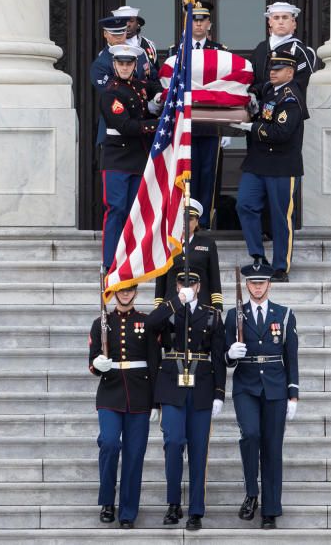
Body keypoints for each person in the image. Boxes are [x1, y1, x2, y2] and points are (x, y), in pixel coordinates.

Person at [146, 271, 227, 531]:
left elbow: (217, 357)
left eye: (192, 282)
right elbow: (150, 325)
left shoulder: (212, 315)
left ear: (200, 285)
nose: (188, 286)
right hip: (171, 385)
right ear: (177, 285)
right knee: (172, 442)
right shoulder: (169, 310)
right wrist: (176, 301)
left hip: (202, 386)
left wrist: (219, 392)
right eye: (182, 282)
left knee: (199, 450)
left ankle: (196, 510)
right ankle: (172, 504)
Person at [224, 263, 299, 529]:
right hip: (246, 385)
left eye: (262, 282)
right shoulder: (234, 315)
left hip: (275, 387)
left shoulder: (284, 314)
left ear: (269, 284)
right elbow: (225, 358)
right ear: (246, 285)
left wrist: (293, 394)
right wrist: (229, 354)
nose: (257, 286)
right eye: (253, 283)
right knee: (251, 434)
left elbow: (291, 357)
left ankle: (270, 509)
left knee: (272, 446)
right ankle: (252, 492)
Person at [88, 284, 160, 528]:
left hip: (140, 395)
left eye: (130, 290)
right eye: (121, 290)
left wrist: (156, 402)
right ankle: (108, 501)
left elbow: (154, 361)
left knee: (134, 454)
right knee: (109, 443)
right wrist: (98, 364)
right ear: (114, 292)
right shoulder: (101, 323)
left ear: (136, 292)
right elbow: (92, 363)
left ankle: (128, 511)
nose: (126, 293)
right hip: (110, 392)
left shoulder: (146, 321)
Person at [231, 52, 305, 282]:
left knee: (281, 217)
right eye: (271, 67)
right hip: (257, 163)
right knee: (245, 205)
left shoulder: (291, 98)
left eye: (279, 68)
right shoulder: (271, 90)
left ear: (290, 72)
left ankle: (281, 266)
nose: (272, 72)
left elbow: (281, 133)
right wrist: (252, 94)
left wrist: (250, 128)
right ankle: (258, 256)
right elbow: (258, 89)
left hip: (281, 166)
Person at [99, 44, 163, 270]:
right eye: (120, 63)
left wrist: (159, 93)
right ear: (114, 65)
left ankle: (132, 259)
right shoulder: (110, 92)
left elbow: (153, 85)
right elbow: (125, 125)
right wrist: (158, 124)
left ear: (135, 65)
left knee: (135, 211)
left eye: (129, 63)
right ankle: (110, 262)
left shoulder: (139, 86)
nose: (125, 67)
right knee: (116, 209)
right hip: (117, 159)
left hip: (138, 159)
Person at [187, 1, 230, 229]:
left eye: (202, 19)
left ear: (209, 24)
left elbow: (227, 88)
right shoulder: (177, 50)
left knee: (208, 174)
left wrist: (227, 123)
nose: (199, 23)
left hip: (212, 124)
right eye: (194, 19)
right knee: (188, 173)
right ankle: (187, 219)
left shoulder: (220, 51)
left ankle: (205, 220)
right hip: (187, 124)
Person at [90, 15, 159, 146]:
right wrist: (146, 103)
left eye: (121, 33)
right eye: (114, 34)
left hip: (144, 130)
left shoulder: (139, 54)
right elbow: (114, 93)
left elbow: (153, 80)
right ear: (105, 34)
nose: (119, 37)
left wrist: (157, 96)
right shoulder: (101, 63)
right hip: (118, 131)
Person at [153, 200, 224, 312]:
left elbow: (214, 277)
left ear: (197, 222)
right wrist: (159, 305)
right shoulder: (166, 244)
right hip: (172, 304)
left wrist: (217, 305)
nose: (184, 223)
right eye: (180, 219)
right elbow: (161, 279)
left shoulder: (208, 244)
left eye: (189, 219)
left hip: (201, 303)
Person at [250, 1, 317, 117]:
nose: (280, 21)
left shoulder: (300, 50)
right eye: (276, 18)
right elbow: (252, 76)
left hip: (285, 113)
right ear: (270, 22)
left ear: (293, 24)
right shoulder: (260, 48)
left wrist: (269, 98)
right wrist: (252, 93)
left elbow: (300, 83)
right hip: (257, 112)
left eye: (285, 17)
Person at [112, 5, 161, 74]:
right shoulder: (111, 46)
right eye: (123, 21)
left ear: (138, 24)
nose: (127, 24)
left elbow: (155, 74)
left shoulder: (149, 45)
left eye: (131, 21)